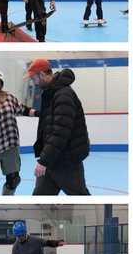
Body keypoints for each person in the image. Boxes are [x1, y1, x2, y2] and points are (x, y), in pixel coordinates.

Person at [23, 59, 91, 195]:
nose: (34, 82)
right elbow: (52, 119)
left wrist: (43, 160)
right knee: (40, 198)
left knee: (80, 196)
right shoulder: (52, 92)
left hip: (67, 161)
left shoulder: (63, 94)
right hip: (53, 160)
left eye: (33, 78)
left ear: (42, 74)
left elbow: (61, 132)